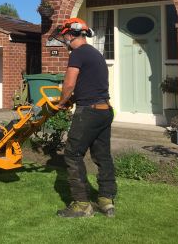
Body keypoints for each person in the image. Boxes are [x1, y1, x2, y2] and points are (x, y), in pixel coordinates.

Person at [51, 17, 117, 218]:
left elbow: (69, 84)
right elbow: (90, 84)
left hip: (89, 111)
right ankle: (106, 200)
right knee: (102, 155)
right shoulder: (96, 54)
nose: (64, 42)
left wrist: (62, 103)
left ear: (70, 35)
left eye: (65, 37)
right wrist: (73, 100)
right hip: (104, 110)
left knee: (72, 153)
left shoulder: (77, 54)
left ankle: (82, 204)